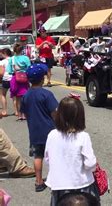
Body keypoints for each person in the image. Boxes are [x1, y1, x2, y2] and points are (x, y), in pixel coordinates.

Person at [45, 96, 100, 205]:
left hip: (59, 185)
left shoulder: (52, 135)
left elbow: (47, 159)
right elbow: (90, 163)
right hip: (81, 184)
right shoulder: (83, 136)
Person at [21, 63, 59, 192]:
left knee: (38, 156)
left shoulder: (25, 96)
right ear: (42, 79)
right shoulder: (46, 94)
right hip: (49, 130)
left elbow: (25, 113)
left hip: (35, 131)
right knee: (53, 155)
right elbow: (54, 112)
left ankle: (38, 181)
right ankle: (56, 179)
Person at [8, 44, 31, 120]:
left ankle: (19, 114)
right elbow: (29, 68)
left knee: (17, 98)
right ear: (22, 50)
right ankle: (24, 114)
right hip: (24, 78)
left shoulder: (12, 59)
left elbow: (9, 70)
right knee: (24, 97)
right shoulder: (26, 58)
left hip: (15, 78)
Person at [0, 49, 13, 117]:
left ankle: (4, 111)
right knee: (15, 95)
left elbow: (1, 73)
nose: (1, 55)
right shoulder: (13, 59)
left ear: (5, 53)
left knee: (3, 94)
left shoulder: (3, 62)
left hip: (6, 79)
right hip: (14, 78)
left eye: (1, 54)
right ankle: (17, 111)